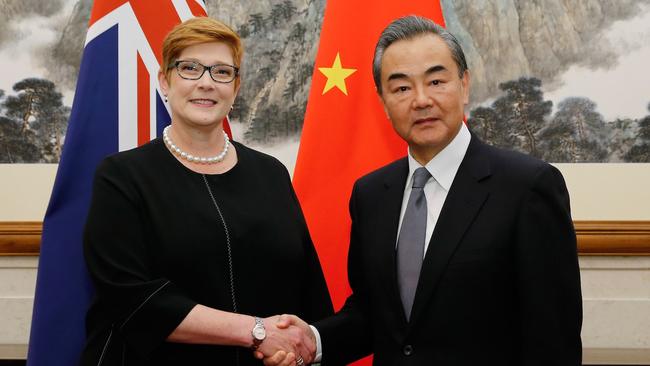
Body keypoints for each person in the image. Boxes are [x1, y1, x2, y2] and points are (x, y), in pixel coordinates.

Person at [266, 15, 583, 365]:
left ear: (464, 84)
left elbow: (553, 337)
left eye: (436, 81)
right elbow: (375, 315)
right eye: (401, 88)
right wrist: (313, 340)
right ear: (383, 102)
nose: (421, 100)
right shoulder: (371, 194)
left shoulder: (528, 187)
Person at [80, 17, 332, 366]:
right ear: (164, 81)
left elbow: (307, 291)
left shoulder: (271, 174)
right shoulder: (122, 177)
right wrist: (256, 330)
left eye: (221, 72)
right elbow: (131, 297)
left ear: (236, 87)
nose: (206, 83)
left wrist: (297, 350)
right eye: (189, 68)